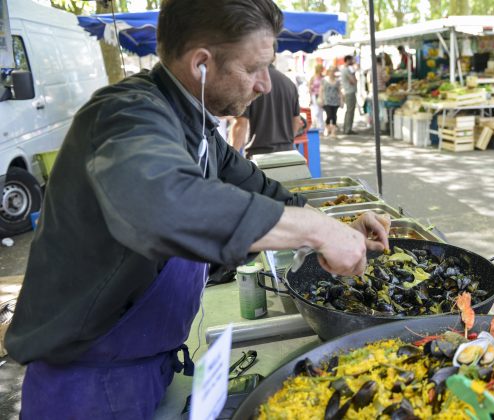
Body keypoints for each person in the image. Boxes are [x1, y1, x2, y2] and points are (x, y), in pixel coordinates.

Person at [5, 0, 389, 417]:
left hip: (147, 362)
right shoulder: (125, 114)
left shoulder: (194, 125)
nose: (264, 84)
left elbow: (256, 187)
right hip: (86, 381)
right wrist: (317, 234)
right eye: (254, 68)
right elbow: (163, 204)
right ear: (202, 64)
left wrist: (335, 224)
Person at [228, 65, 305, 157]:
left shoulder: (251, 83)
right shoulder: (289, 83)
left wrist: (230, 158)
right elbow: (296, 121)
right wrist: (287, 141)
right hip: (287, 152)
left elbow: (240, 124)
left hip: (258, 155)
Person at [322, 65, 343, 137]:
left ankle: (333, 131)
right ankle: (327, 128)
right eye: (331, 71)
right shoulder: (324, 80)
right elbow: (321, 90)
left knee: (334, 115)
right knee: (329, 115)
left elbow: (339, 91)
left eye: (333, 71)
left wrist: (341, 100)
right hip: (327, 100)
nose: (332, 73)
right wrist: (321, 98)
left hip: (335, 101)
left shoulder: (337, 81)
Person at [340, 54, 358, 135]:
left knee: (349, 111)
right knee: (350, 111)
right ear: (348, 60)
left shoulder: (345, 69)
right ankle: (347, 129)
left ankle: (347, 128)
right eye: (351, 60)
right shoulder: (346, 70)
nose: (353, 61)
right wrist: (354, 74)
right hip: (349, 92)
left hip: (348, 91)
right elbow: (353, 81)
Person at [308, 63, 325, 130]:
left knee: (320, 111)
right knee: (316, 111)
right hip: (314, 95)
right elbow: (309, 86)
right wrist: (310, 97)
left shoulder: (323, 77)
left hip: (321, 96)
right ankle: (316, 125)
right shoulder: (313, 77)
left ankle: (320, 126)